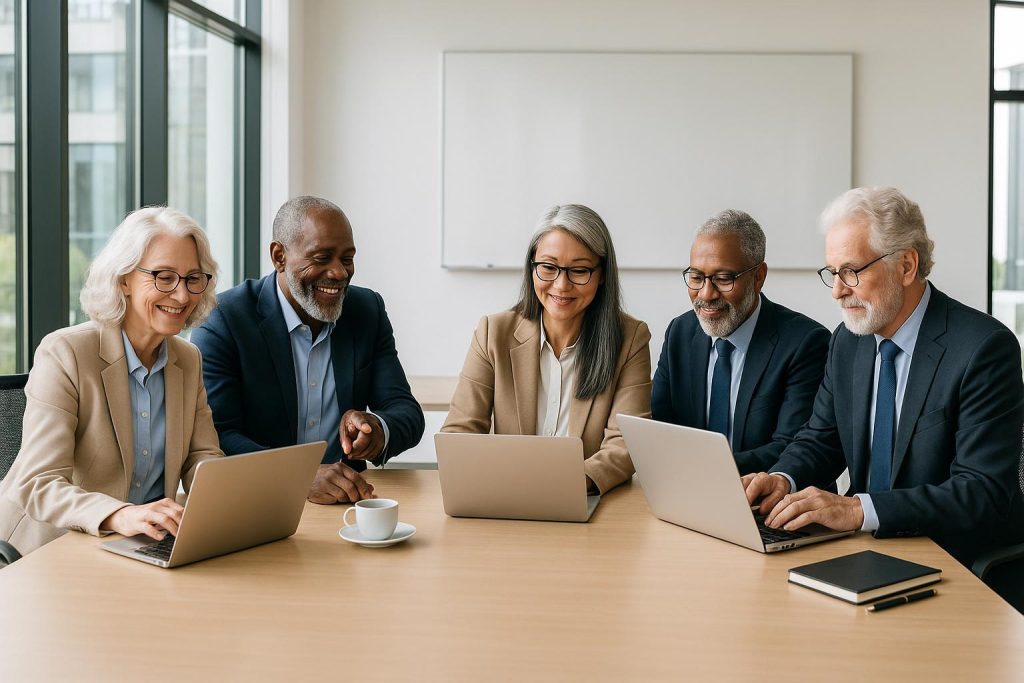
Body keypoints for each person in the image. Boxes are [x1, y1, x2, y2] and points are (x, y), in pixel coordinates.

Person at [744, 187, 1024, 574]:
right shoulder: (848, 340)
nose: (838, 291)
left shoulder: (983, 348)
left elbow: (982, 491)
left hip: (951, 557)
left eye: (852, 272)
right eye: (832, 273)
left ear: (907, 266)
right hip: (862, 550)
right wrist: (782, 479)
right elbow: (821, 438)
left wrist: (859, 510)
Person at [0, 207, 224, 555]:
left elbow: (201, 457)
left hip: (139, 547)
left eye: (193, 278)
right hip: (51, 550)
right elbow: (38, 484)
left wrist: (234, 503)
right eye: (164, 277)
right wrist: (120, 515)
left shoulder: (187, 359)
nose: (182, 296)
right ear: (123, 280)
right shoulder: (66, 353)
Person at [192, 196, 424, 504]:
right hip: (258, 502)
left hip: (346, 504)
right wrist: (298, 475)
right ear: (279, 256)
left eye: (347, 258)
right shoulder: (225, 319)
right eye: (322, 257)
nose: (339, 272)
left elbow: (406, 412)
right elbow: (217, 435)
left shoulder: (366, 310)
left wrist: (376, 429)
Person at [441, 204, 652, 494]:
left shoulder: (630, 338)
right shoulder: (493, 332)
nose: (561, 285)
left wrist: (568, 484)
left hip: (585, 498)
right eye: (549, 268)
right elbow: (458, 434)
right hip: (507, 494)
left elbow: (625, 445)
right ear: (532, 267)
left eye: (579, 270)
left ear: (602, 274)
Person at [651, 210, 829, 474]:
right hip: (687, 492)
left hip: (771, 501)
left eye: (723, 279)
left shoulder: (806, 342)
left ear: (758, 277)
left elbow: (793, 447)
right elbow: (660, 426)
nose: (706, 294)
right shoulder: (680, 332)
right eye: (697, 277)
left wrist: (706, 468)